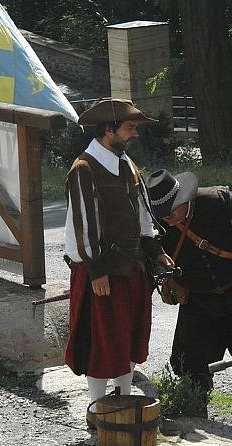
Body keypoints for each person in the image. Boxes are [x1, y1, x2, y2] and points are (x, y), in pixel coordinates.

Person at [63, 98, 174, 428]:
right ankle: (98, 411)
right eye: (130, 128)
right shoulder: (84, 169)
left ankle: (123, 403)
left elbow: (141, 215)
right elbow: (82, 224)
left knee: (126, 337)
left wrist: (154, 249)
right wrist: (96, 270)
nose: (134, 134)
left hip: (130, 268)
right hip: (102, 272)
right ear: (108, 130)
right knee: (103, 340)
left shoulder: (127, 165)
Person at [145, 168, 232, 428]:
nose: (168, 218)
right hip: (199, 300)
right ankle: (195, 414)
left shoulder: (220, 201)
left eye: (172, 210)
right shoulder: (157, 227)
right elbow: (149, 261)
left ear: (185, 198)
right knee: (188, 360)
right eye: (162, 214)